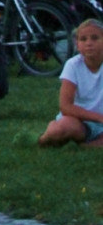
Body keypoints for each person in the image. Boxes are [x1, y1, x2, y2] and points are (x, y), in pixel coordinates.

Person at [38, 19, 103, 148]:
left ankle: (84, 146)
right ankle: (44, 138)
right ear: (77, 45)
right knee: (61, 129)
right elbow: (65, 106)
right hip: (79, 121)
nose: (89, 43)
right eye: (83, 39)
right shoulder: (73, 65)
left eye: (95, 38)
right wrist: (99, 118)